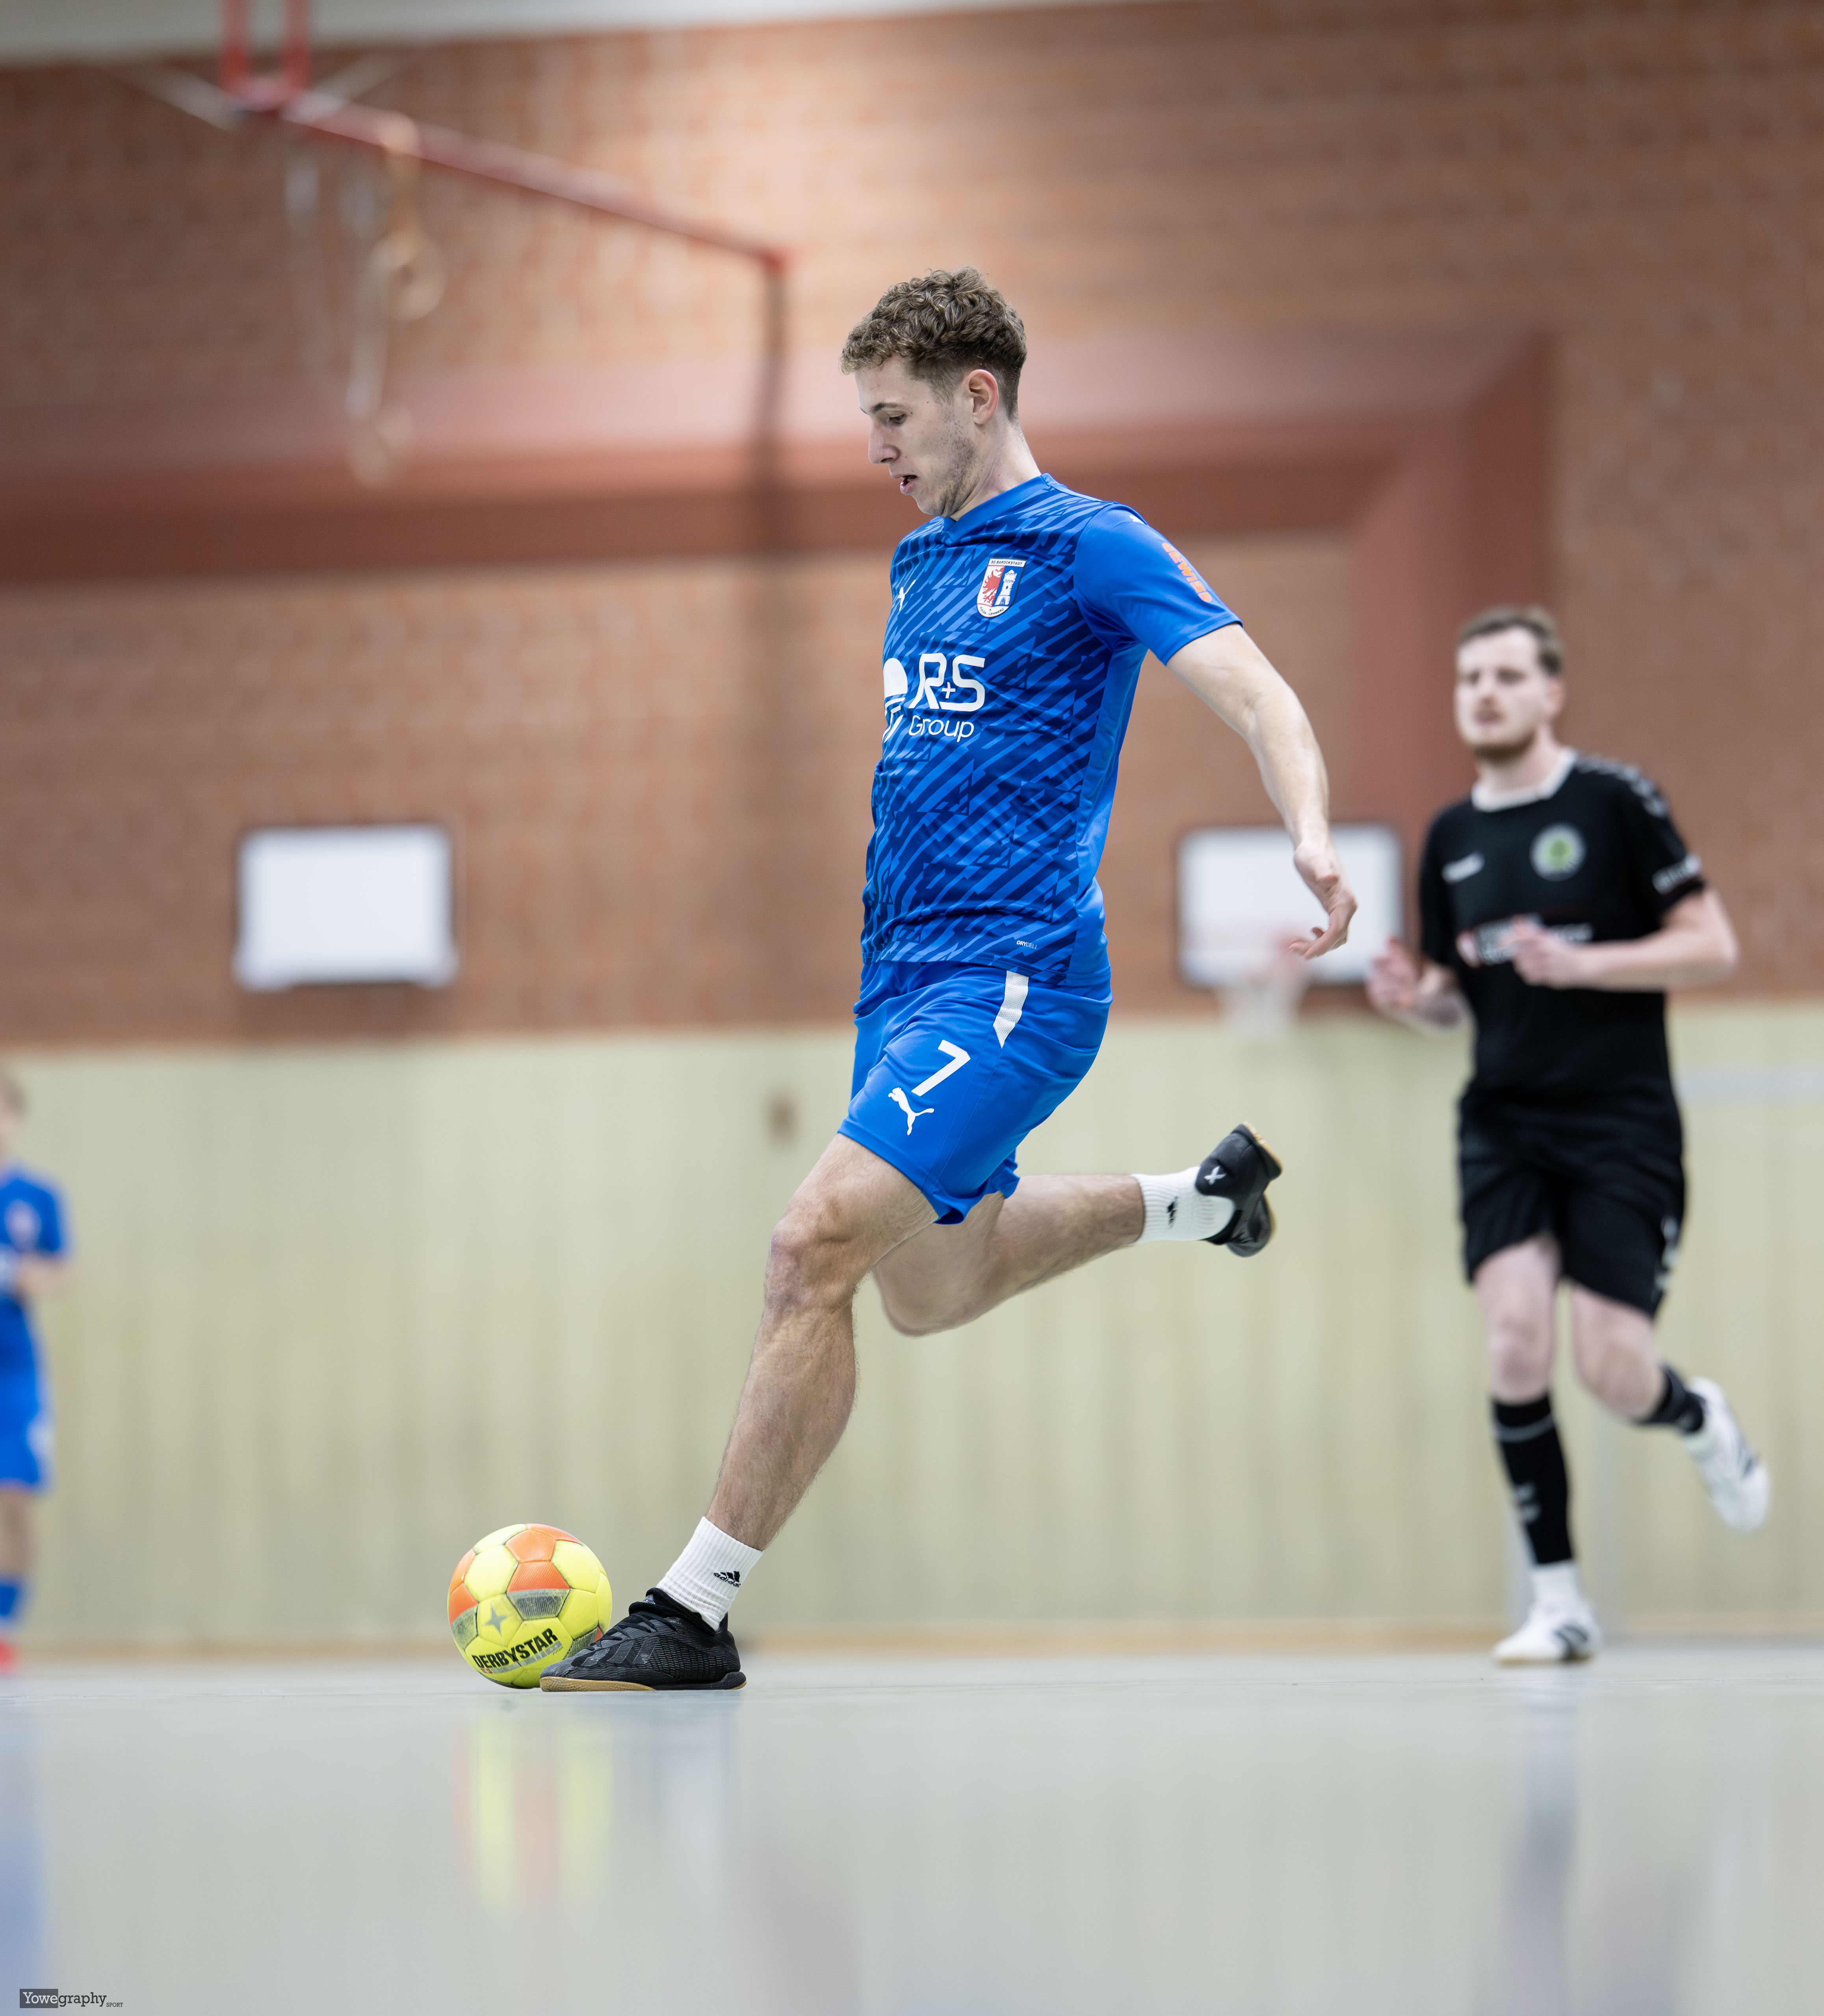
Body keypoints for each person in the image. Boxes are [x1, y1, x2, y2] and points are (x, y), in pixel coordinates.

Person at [543, 268, 1357, 1691]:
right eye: (867, 420)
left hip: (1016, 976)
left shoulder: (1091, 546)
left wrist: (1310, 830)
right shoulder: (917, 561)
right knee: (929, 1285)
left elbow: (1256, 690)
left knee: (809, 1247)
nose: (877, 448)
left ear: (978, 397)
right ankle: (1200, 1199)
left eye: (894, 417)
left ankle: (692, 1609)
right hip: (899, 980)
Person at [1367, 605, 1768, 1666]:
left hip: (1618, 1122)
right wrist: (1414, 998)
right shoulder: (1449, 837)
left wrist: (1585, 963)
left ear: (1550, 692)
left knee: (1612, 1368)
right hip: (1501, 1121)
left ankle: (1695, 1416)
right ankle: (1558, 1599)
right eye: (1469, 679)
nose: (1484, 694)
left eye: (1506, 676)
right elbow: (1456, 1000)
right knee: (1511, 1339)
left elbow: (1711, 944)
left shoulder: (1614, 801)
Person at [0, 1069, 71, 1669]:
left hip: (16, 1371)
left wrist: (28, 1278)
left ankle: (6, 1622)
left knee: (15, 1496)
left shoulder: (38, 1197)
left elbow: (62, 1268)